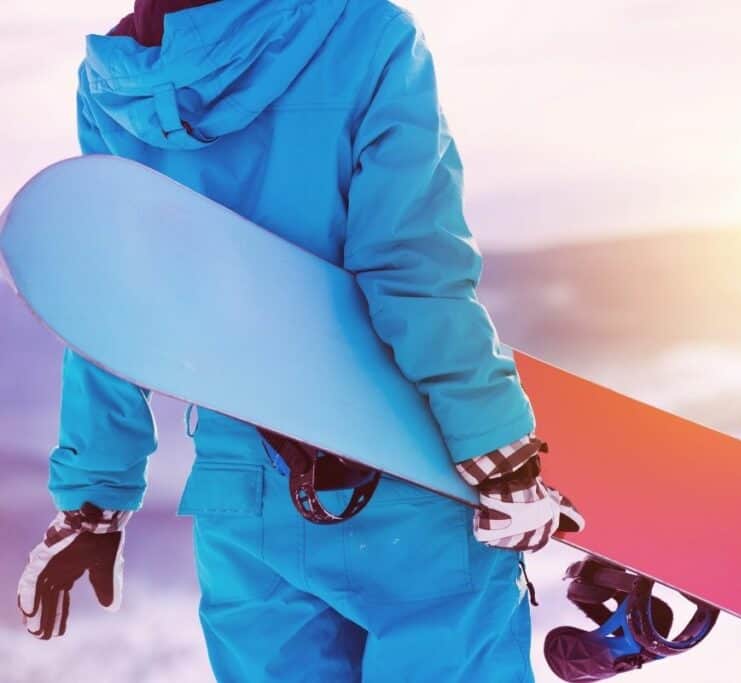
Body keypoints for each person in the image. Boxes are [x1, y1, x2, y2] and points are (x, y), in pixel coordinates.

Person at [15, 1, 583, 680]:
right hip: (405, 468)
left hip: (243, 499)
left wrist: (94, 496)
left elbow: (118, 306)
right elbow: (409, 269)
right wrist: (497, 449)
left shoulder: (117, 83)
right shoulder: (364, 34)